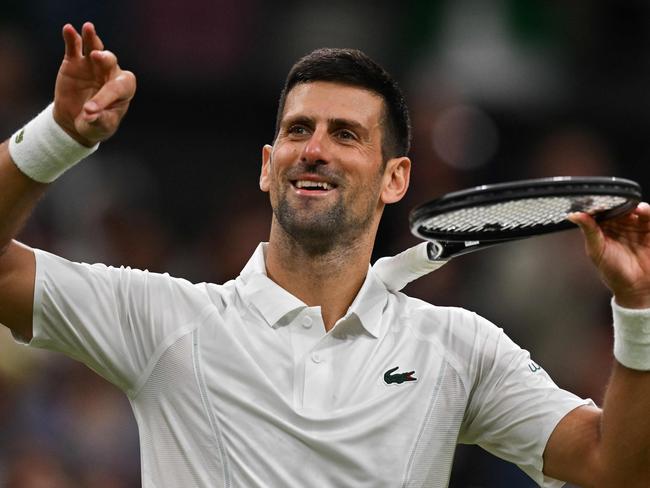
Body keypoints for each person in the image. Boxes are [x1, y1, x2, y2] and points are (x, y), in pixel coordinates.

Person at [1, 22, 650, 488]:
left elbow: (614, 467)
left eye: (345, 135)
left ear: (395, 179)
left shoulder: (461, 348)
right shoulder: (164, 320)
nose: (314, 149)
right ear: (267, 167)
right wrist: (57, 136)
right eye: (297, 130)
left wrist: (639, 313)